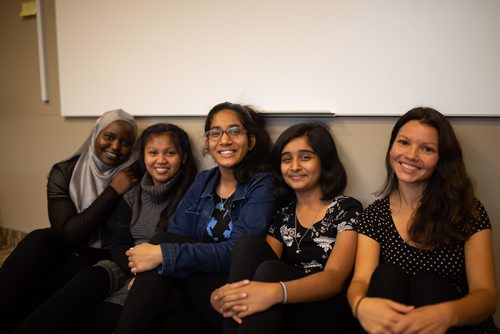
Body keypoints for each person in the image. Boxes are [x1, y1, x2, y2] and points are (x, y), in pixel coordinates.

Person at [12, 123, 198, 334]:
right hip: (124, 265)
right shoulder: (131, 194)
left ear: (183, 157)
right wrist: (133, 269)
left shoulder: (192, 196)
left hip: (159, 275)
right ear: (143, 157)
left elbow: (185, 247)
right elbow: (119, 243)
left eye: (170, 153)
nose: (161, 160)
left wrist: (145, 278)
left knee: (98, 320)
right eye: (153, 152)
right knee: (83, 285)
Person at [113, 102, 276, 334]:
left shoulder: (263, 183)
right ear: (207, 144)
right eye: (215, 133)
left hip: (233, 291)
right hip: (196, 284)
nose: (225, 140)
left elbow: (237, 252)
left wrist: (163, 256)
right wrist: (159, 261)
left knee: (161, 248)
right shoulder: (203, 181)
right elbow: (177, 234)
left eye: (235, 131)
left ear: (250, 141)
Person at [347, 107, 499, 333]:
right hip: (396, 326)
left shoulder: (467, 211)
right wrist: (360, 304)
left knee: (426, 283)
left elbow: (486, 296)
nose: (411, 155)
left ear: (441, 158)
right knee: (387, 274)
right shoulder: (375, 215)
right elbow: (361, 280)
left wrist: (446, 314)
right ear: (391, 147)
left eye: (427, 149)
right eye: (404, 142)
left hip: (454, 325)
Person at [211, 122, 363, 334]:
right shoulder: (283, 213)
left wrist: (276, 291)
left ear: (324, 161)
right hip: (286, 309)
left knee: (271, 270)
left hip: (327, 311)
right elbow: (258, 263)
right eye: (286, 159)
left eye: (305, 157)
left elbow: (335, 277)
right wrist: (220, 294)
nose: (294, 167)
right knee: (249, 245)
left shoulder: (347, 208)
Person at [0, 109, 139, 333]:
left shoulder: (134, 176)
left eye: (125, 142)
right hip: (69, 242)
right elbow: (68, 234)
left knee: (53, 287)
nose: (115, 146)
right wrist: (112, 191)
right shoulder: (66, 171)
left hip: (105, 252)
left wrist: (120, 187)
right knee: (39, 239)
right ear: (96, 134)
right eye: (109, 136)